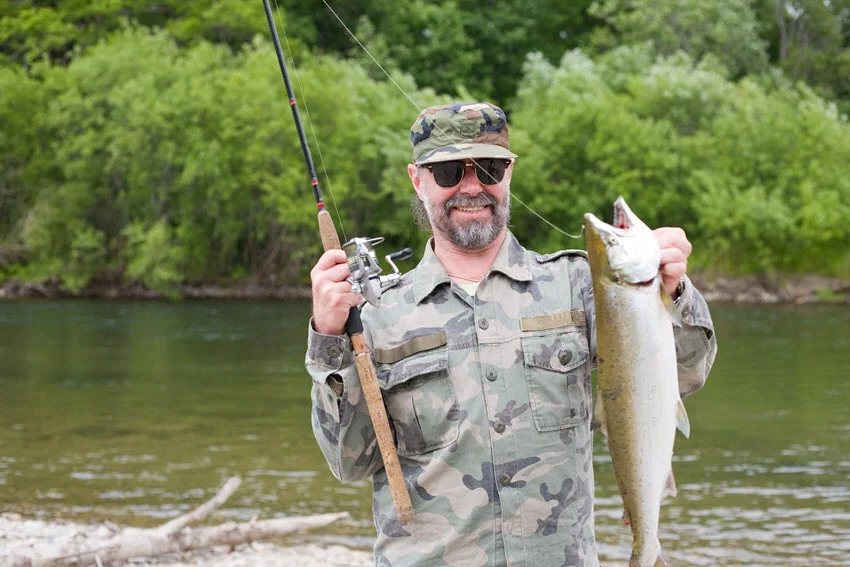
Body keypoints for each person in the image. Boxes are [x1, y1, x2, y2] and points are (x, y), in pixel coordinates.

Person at [305, 102, 717, 567]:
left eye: (488, 167)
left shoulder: (581, 284)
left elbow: (684, 374)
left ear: (509, 174)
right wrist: (328, 337)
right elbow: (349, 462)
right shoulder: (372, 314)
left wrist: (673, 290)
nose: (471, 186)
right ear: (417, 180)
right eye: (446, 173)